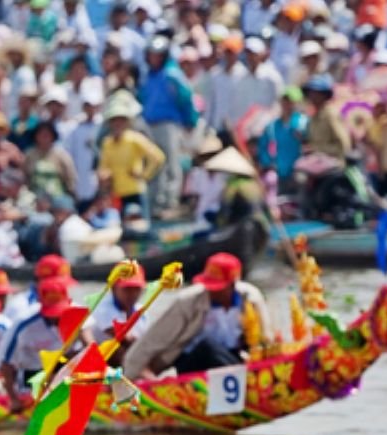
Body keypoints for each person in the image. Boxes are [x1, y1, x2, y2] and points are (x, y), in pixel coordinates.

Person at [123, 253, 272, 379]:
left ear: (232, 284)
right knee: (208, 347)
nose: (211, 291)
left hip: (233, 359)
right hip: (194, 361)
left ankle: (246, 379)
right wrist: (132, 372)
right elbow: (152, 340)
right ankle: (243, 379)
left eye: (218, 288)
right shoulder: (188, 302)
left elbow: (265, 339)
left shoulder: (251, 298)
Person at [0, 278, 86, 410]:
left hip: (63, 368)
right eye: (53, 312)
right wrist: (13, 399)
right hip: (33, 376)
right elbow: (5, 364)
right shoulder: (23, 324)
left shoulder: (78, 315)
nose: (57, 317)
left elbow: (91, 346)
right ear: (41, 304)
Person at [139, 36, 198, 216]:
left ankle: (170, 202)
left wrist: (190, 120)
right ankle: (155, 203)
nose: (153, 59)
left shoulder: (172, 75)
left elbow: (186, 98)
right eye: (151, 55)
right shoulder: (148, 76)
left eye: (157, 55)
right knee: (154, 164)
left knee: (171, 163)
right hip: (149, 125)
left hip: (169, 125)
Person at [98, 91, 166, 215]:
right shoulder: (107, 143)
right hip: (117, 193)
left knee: (141, 228)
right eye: (114, 120)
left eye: (121, 120)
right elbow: (103, 166)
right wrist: (104, 175)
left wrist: (144, 175)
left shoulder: (134, 139)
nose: (117, 124)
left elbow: (158, 157)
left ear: (126, 122)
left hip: (135, 191)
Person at [89, 262, 148, 363]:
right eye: (127, 289)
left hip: (130, 356)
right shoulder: (103, 308)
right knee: (120, 350)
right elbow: (126, 340)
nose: (133, 294)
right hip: (101, 360)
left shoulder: (141, 310)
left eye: (137, 289)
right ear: (113, 288)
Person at [303, 75, 351, 164]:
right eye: (311, 92)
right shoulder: (314, 117)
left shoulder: (331, 114)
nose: (312, 96)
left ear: (324, 95)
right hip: (317, 164)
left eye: (316, 93)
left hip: (333, 166)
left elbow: (343, 146)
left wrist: (317, 149)